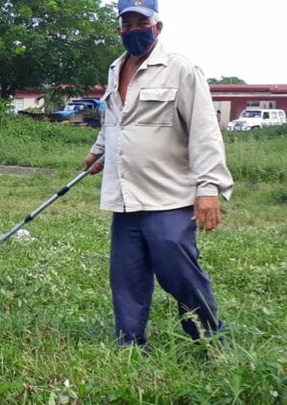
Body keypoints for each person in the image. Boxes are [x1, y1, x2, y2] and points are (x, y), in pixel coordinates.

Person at [82, 0, 234, 348]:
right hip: (125, 196)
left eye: (141, 22)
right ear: (119, 28)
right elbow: (114, 119)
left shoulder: (180, 69)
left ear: (157, 27)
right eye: (127, 23)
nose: (134, 29)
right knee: (126, 276)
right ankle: (131, 344)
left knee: (179, 274)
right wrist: (99, 150)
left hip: (167, 197)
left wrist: (208, 187)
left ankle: (210, 341)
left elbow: (204, 130)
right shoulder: (115, 69)